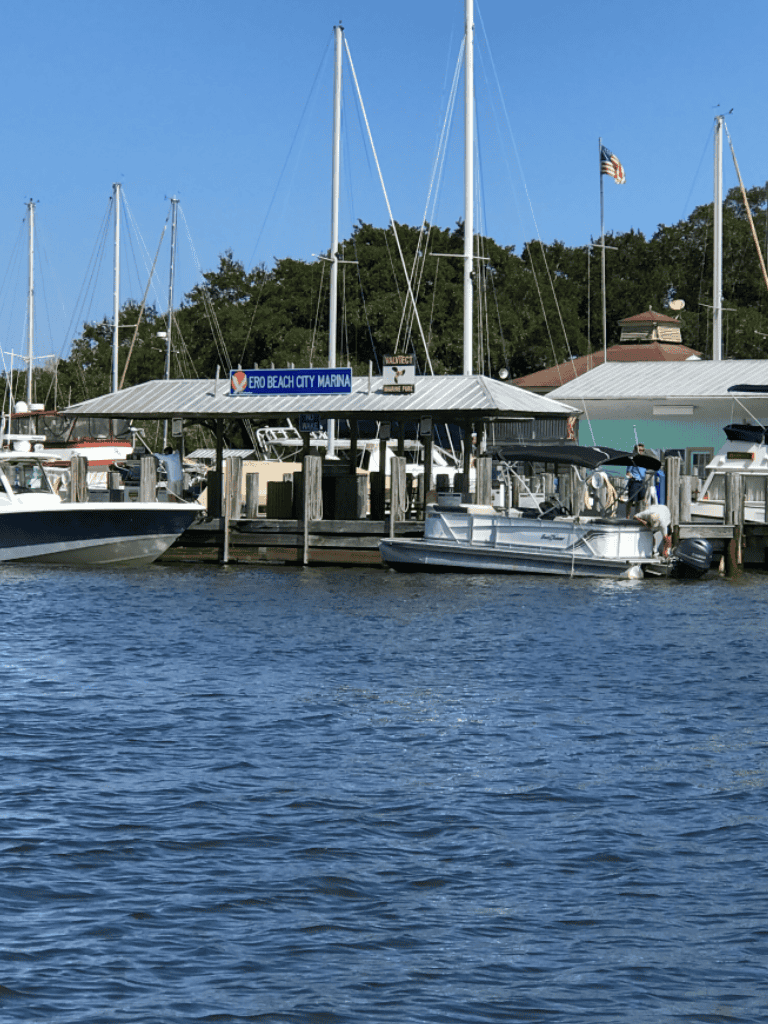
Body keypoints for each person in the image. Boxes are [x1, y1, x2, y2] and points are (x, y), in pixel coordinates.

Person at [626, 444, 646, 514]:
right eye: (639, 450)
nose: (641, 452)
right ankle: (627, 516)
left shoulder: (644, 460)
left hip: (642, 482)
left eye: (642, 450)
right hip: (634, 481)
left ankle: (637, 515)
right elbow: (628, 472)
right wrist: (631, 477)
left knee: (641, 500)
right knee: (631, 500)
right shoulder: (633, 460)